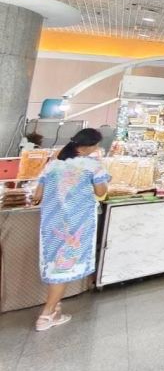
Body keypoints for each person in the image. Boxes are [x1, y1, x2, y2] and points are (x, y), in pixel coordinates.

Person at [31, 129, 109, 332]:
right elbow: (101, 192)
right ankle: (47, 314)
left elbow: (37, 195)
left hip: (52, 224)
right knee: (63, 266)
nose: (97, 148)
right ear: (88, 147)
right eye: (96, 145)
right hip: (76, 224)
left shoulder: (52, 165)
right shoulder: (92, 166)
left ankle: (55, 308)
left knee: (55, 264)